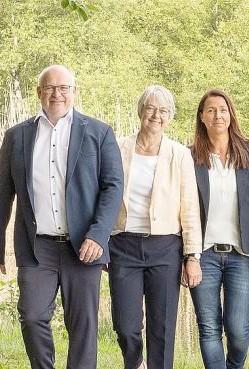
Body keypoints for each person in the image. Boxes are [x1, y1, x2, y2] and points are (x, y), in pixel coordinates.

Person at [0, 64, 123, 369]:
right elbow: (1, 195)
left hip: (84, 247)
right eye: (50, 88)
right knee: (32, 317)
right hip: (37, 248)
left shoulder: (98, 133)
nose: (56, 94)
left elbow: (113, 188)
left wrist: (98, 235)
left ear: (74, 92)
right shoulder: (16, 136)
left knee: (83, 326)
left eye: (64, 88)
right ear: (39, 93)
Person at [109, 85, 202, 369]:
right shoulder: (118, 147)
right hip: (123, 244)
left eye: (163, 111)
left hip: (165, 247)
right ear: (140, 111)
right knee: (126, 325)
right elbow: (104, 195)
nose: (156, 115)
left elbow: (189, 206)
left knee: (162, 327)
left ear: (170, 116)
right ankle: (135, 363)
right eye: (151, 108)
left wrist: (192, 256)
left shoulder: (179, 154)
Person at [188, 88, 249, 369]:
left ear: (231, 114)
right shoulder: (190, 157)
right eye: (211, 110)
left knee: (238, 331)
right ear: (202, 117)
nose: (218, 115)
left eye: (222, 109)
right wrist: (189, 257)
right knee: (208, 327)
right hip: (203, 254)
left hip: (242, 253)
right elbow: (185, 209)